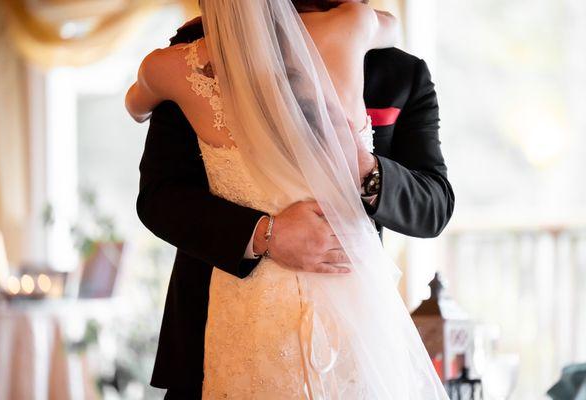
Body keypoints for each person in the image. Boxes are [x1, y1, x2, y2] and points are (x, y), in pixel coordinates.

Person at [127, 0, 455, 398]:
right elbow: (160, 197)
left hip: (350, 325)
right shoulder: (201, 50)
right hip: (220, 323)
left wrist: (367, 171)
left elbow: (433, 204)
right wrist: (265, 234)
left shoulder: (399, 72)